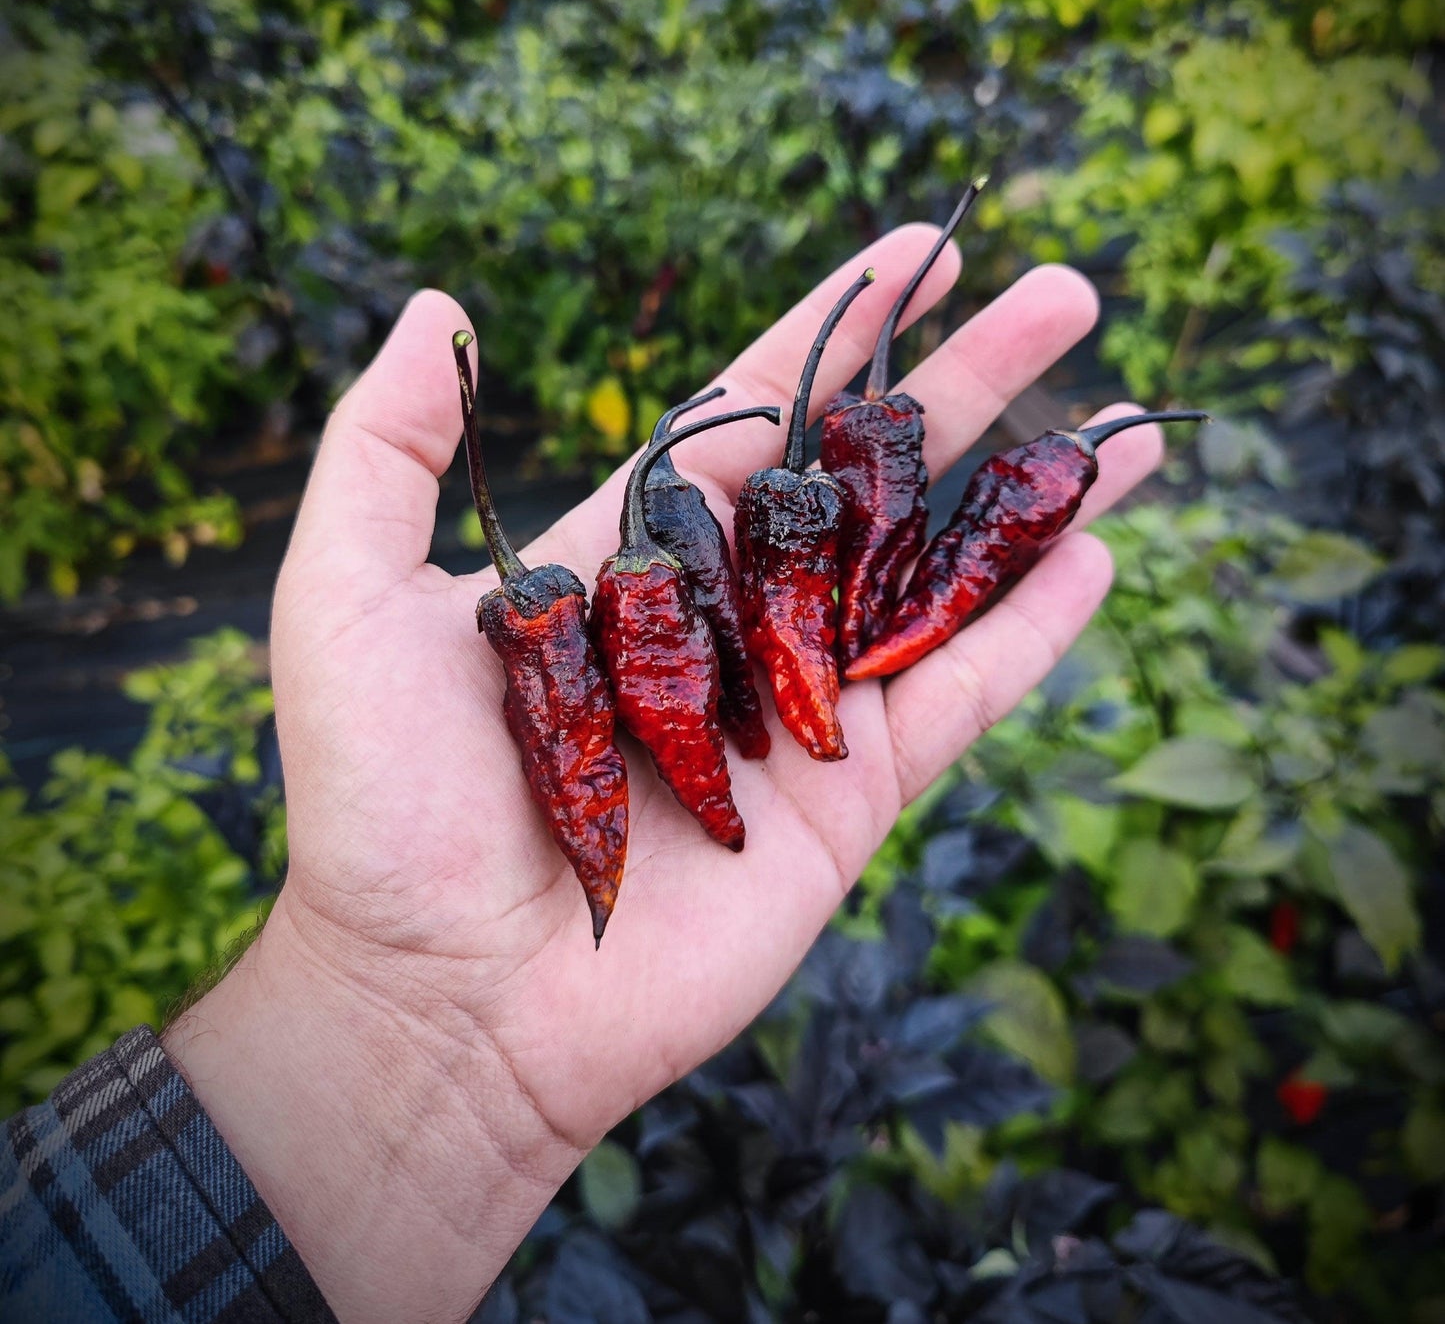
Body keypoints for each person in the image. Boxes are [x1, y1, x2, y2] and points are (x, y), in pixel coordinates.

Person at [1, 229, 1164, 1322]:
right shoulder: (572, 611)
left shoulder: (686, 570)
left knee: (840, 618)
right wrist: (391, 1004)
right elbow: (685, 678)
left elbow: (847, 595)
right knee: (750, 667)